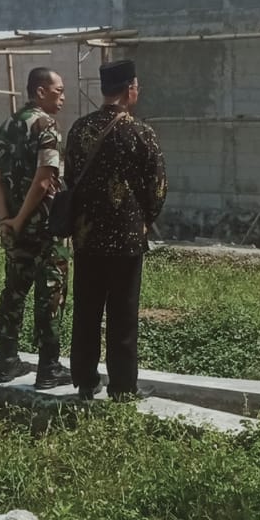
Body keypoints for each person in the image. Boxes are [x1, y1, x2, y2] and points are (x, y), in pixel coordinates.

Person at [65, 59, 166, 402]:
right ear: (129, 89)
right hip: (126, 238)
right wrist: (145, 219)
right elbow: (158, 187)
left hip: (86, 236)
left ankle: (85, 381)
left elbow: (70, 178)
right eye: (136, 86)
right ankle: (123, 386)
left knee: (87, 309)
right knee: (123, 313)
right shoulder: (141, 133)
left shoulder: (79, 129)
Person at [0, 67, 71, 388]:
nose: (62, 97)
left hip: (14, 226)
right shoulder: (46, 126)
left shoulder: (6, 126)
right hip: (46, 227)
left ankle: (7, 361)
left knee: (14, 289)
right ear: (40, 92)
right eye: (58, 91)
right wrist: (22, 218)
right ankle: (48, 367)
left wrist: (6, 220)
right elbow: (45, 179)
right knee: (51, 293)